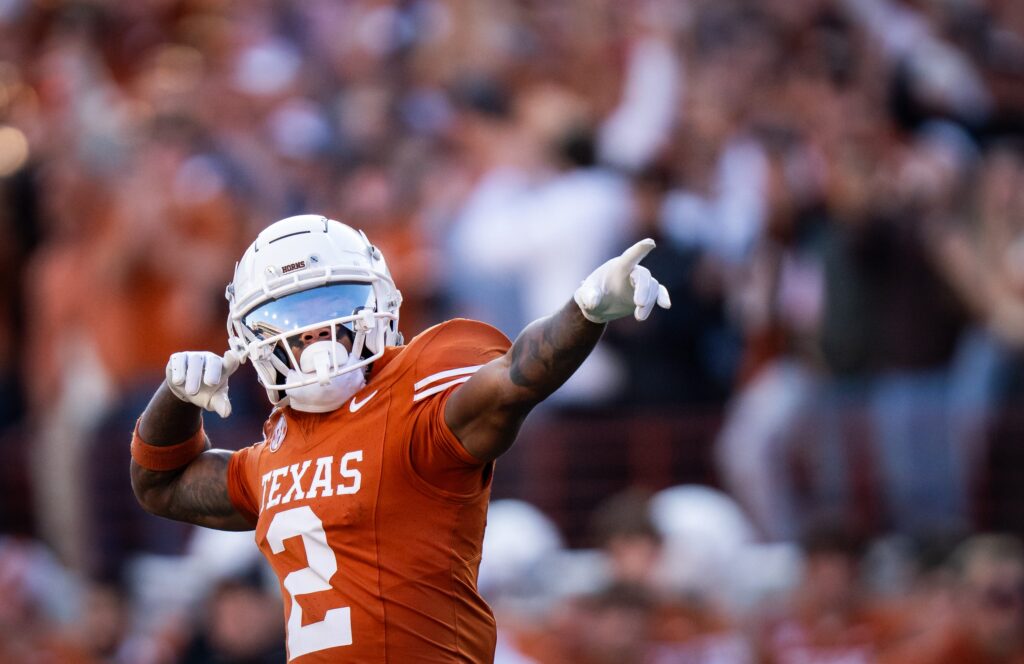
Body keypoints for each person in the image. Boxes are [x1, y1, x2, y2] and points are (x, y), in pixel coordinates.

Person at [128, 214, 670, 662]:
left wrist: (585, 310)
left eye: (329, 308)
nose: (313, 334)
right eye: (289, 316)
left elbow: (513, 379)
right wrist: (174, 398)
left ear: (374, 305)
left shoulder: (414, 408)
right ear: (253, 338)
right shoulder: (270, 456)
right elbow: (160, 484)